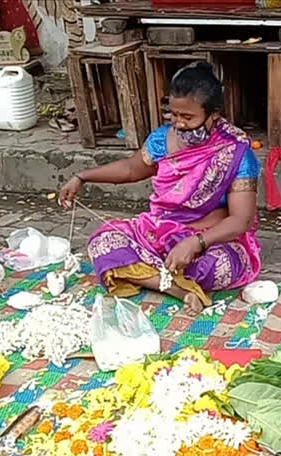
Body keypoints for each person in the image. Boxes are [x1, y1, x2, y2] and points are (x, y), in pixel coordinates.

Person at [59, 62, 262, 315]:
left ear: (214, 115)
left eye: (188, 117)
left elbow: (241, 220)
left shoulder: (236, 152)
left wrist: (195, 243)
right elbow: (131, 169)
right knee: (102, 243)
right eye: (174, 115)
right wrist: (82, 177)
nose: (179, 124)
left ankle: (154, 276)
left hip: (211, 238)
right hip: (160, 231)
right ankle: (177, 289)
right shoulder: (162, 139)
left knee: (219, 266)